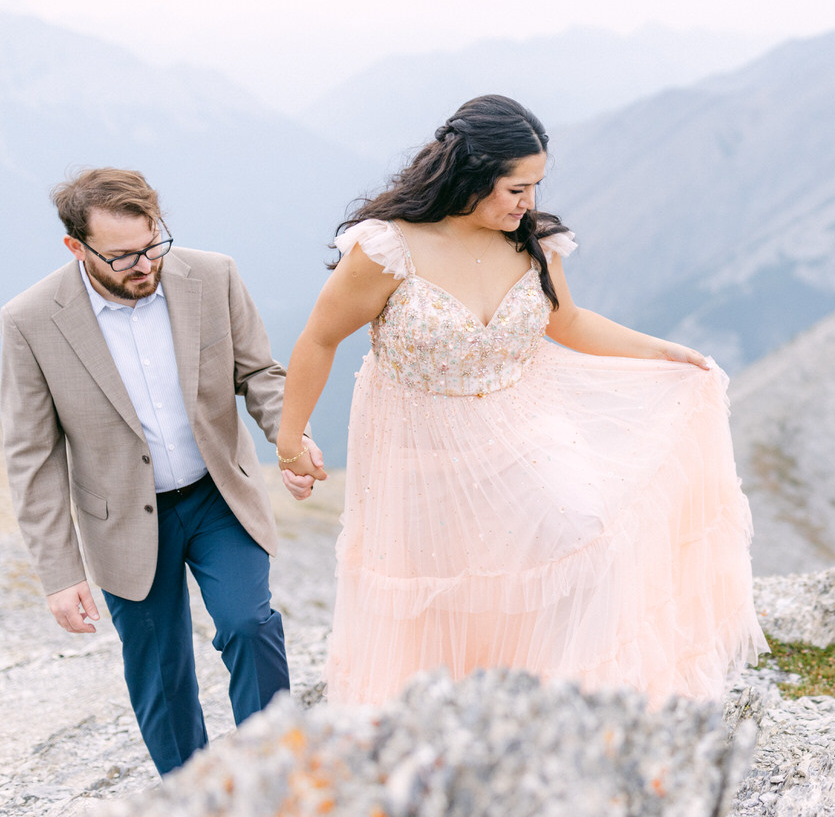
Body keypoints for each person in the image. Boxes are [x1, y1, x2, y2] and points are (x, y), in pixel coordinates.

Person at [276, 94, 766, 706]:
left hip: (518, 424)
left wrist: (663, 353)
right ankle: (447, 717)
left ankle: (565, 697)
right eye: (515, 188)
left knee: (583, 530)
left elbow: (569, 323)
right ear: (470, 176)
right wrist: (291, 440)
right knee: (441, 588)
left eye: (535, 186)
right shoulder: (388, 249)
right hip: (415, 444)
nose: (528, 202)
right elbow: (319, 339)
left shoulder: (534, 241)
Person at [1, 168, 320, 775]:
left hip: (216, 496)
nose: (145, 264)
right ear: (77, 247)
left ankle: (279, 779)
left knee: (249, 625)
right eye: (122, 256)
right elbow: (32, 456)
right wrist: (59, 571)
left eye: (153, 245)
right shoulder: (28, 321)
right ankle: (190, 794)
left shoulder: (214, 275)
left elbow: (259, 375)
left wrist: (291, 439)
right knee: (160, 669)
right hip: (119, 520)